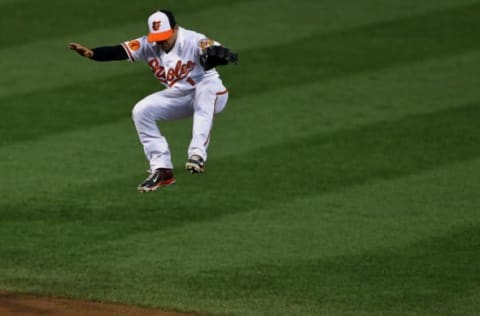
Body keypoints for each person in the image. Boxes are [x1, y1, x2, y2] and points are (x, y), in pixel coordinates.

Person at [69, 10, 238, 192]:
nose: (161, 41)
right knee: (142, 110)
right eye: (157, 37)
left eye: (165, 36)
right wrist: (92, 54)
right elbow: (120, 51)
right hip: (180, 96)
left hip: (213, 93)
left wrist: (217, 54)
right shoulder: (148, 44)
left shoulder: (194, 40)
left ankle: (197, 154)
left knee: (205, 90)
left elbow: (215, 49)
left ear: (175, 29)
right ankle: (162, 169)